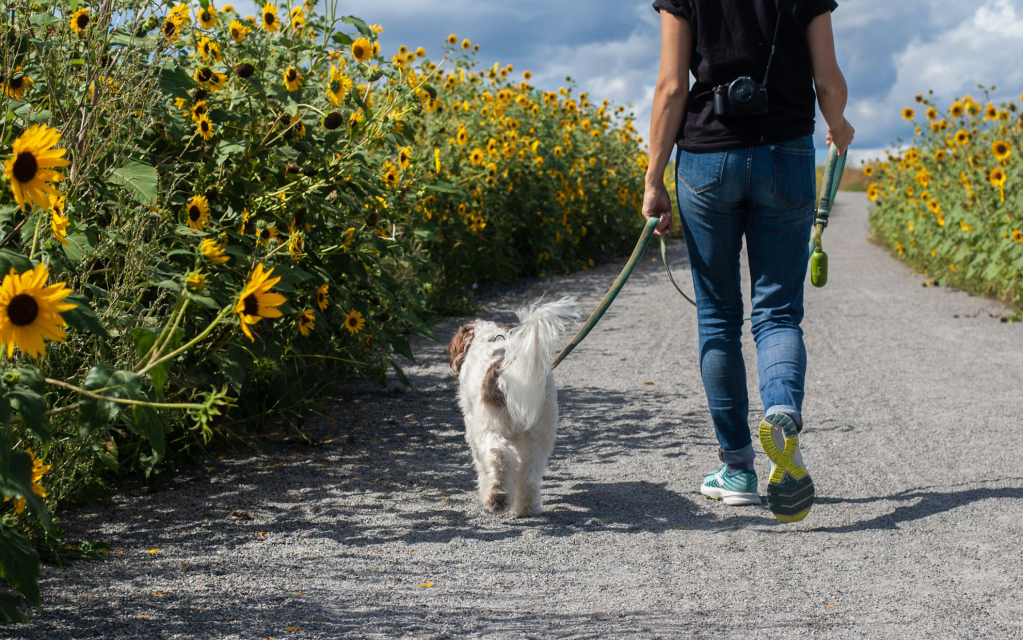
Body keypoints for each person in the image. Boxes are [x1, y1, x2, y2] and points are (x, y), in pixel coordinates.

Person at [643, 0, 854, 522]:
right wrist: (839, 123)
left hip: (707, 156)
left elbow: (672, 86)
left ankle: (737, 470)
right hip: (786, 153)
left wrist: (653, 178)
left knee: (717, 316)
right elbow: (827, 79)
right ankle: (781, 410)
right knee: (778, 313)